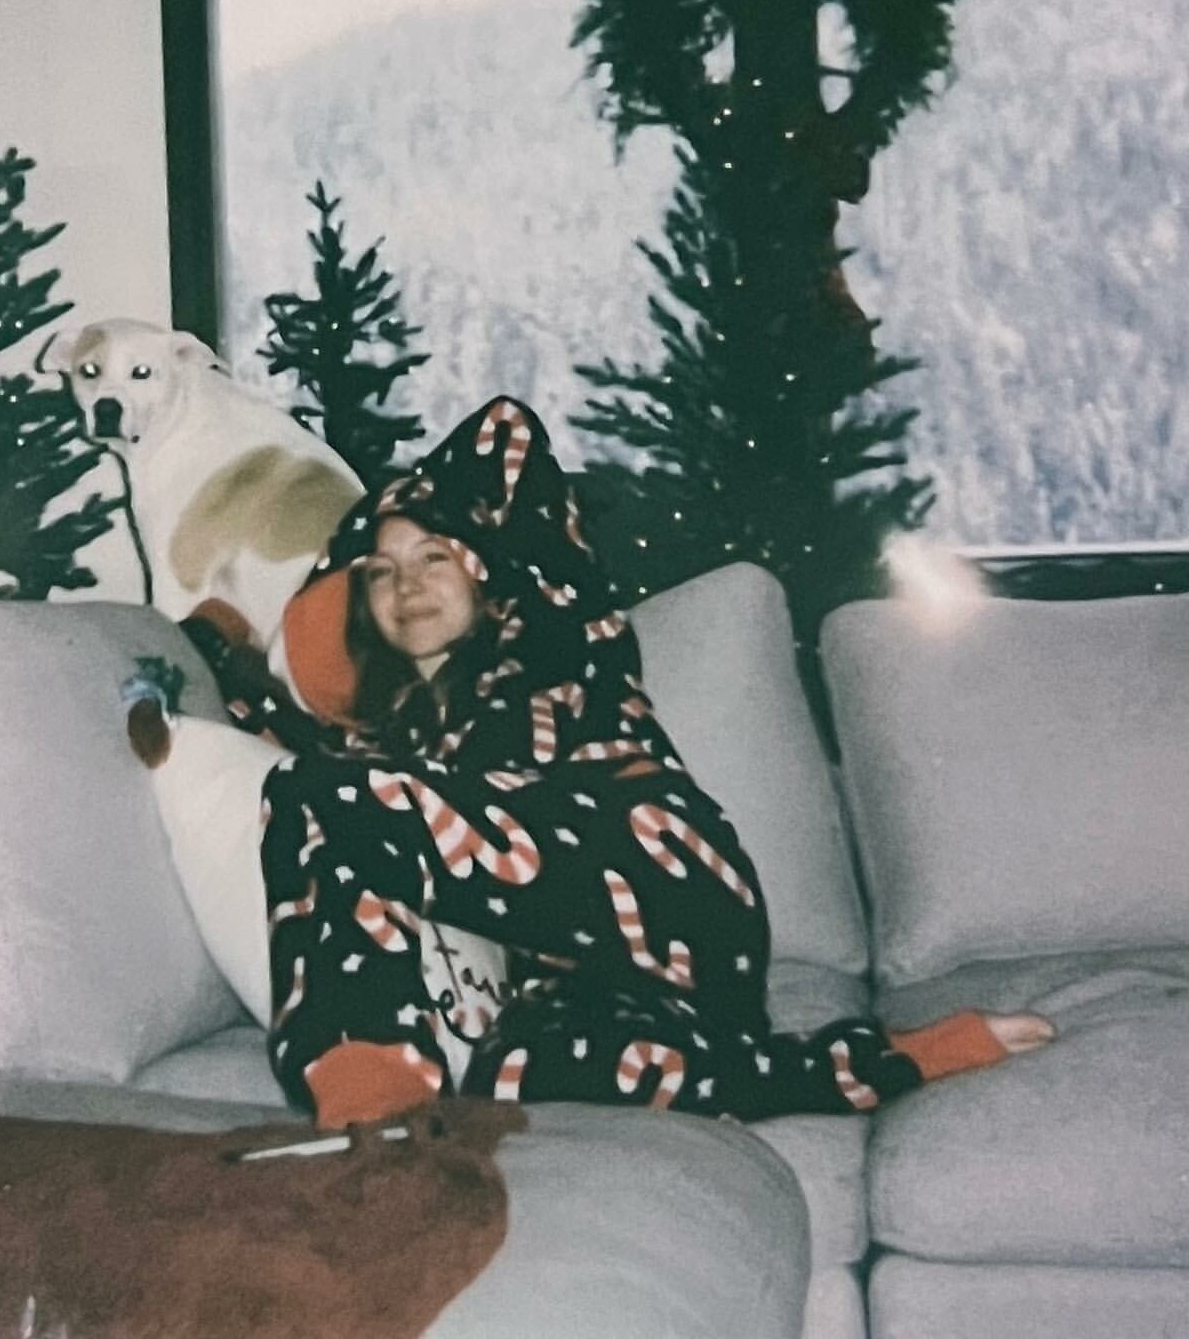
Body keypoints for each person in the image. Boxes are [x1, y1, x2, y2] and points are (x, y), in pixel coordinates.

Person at [184, 397, 1053, 1132]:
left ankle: (370, 1107)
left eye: (434, 558)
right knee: (519, 1073)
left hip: (656, 878)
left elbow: (504, 433)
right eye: (379, 575)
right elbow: (331, 791)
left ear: (486, 566)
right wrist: (230, 665)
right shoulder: (398, 736)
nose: (405, 585)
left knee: (324, 795)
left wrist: (351, 544)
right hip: (591, 973)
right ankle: (876, 1065)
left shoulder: (559, 638)